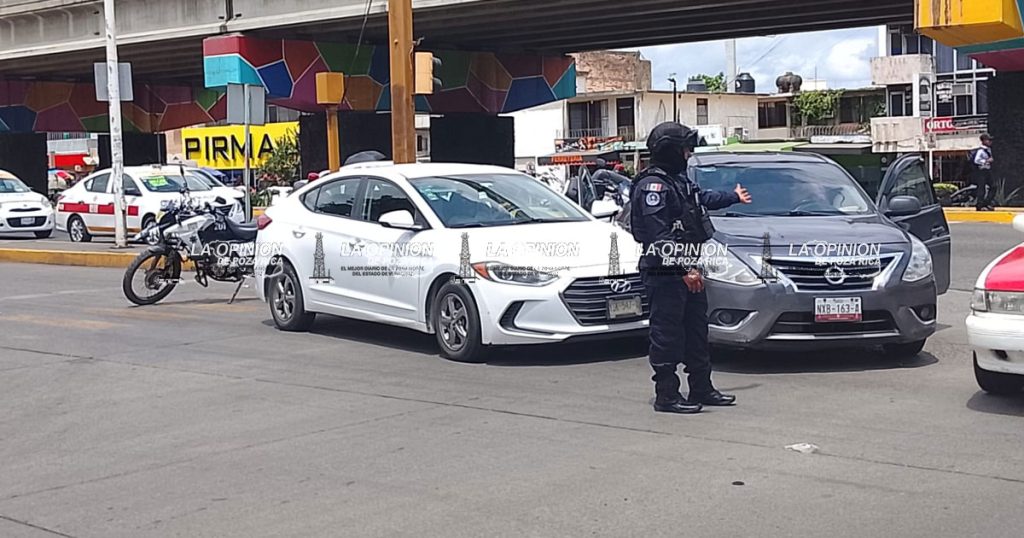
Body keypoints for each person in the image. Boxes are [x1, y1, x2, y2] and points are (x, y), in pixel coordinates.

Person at [629, 122, 752, 414]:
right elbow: (659, 237)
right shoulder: (653, 187)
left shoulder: (678, 181)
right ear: (670, 150)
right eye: (684, 148)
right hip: (666, 271)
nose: (688, 153)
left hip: (688, 267)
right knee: (666, 333)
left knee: (696, 331)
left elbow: (700, 200)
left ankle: (701, 387)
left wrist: (733, 196)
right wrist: (685, 269)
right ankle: (667, 395)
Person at [972, 133, 995, 211]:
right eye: (989, 140)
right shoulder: (981, 151)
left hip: (987, 170)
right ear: (984, 141)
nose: (990, 142)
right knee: (981, 188)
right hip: (981, 171)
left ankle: (986, 203)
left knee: (993, 186)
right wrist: (986, 161)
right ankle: (980, 205)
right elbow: (976, 160)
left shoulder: (988, 149)